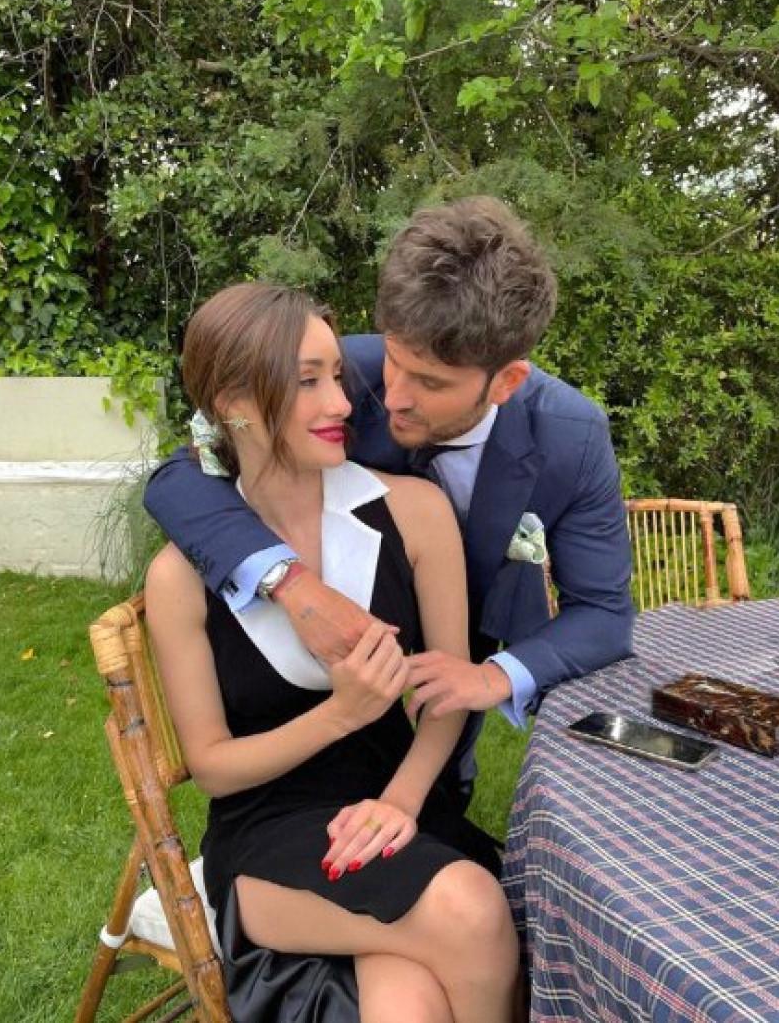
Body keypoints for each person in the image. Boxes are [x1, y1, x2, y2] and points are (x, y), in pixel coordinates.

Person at [144, 196, 635, 804]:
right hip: (306, 704)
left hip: (456, 670)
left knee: (446, 818)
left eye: (430, 383)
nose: (389, 397)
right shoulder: (341, 371)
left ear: (506, 381)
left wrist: (493, 676)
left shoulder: (571, 438)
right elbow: (180, 472)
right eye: (395, 360)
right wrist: (292, 584)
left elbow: (604, 615)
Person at [145, 281, 521, 1023]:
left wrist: (401, 801)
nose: (344, 404)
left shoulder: (415, 513)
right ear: (233, 403)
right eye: (306, 382)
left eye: (337, 377)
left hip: (403, 803)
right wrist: (343, 713)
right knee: (474, 914)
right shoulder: (179, 578)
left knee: (407, 1006)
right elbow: (214, 768)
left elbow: (443, 695)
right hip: (267, 840)